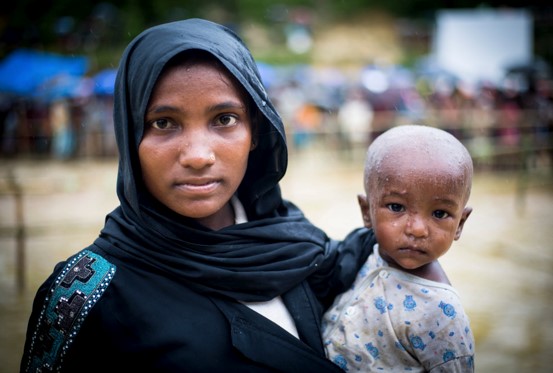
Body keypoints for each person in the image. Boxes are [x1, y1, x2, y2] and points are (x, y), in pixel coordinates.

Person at [20, 18, 375, 373]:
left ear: (255, 130)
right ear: (130, 136)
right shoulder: (82, 295)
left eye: (224, 119)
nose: (197, 155)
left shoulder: (300, 250)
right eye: (163, 123)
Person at [322, 124, 476, 372]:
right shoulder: (361, 255)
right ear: (366, 211)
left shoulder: (441, 313)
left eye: (439, 213)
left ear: (460, 224)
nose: (417, 229)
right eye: (396, 207)